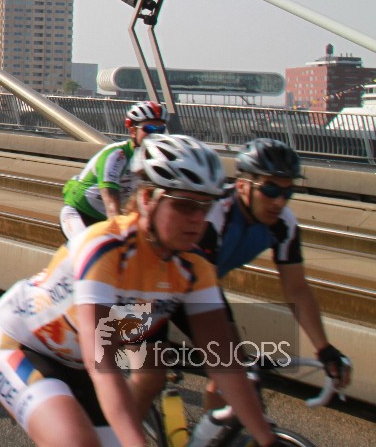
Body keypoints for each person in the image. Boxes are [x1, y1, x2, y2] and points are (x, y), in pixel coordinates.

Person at [0, 134, 281, 447]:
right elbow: (103, 362)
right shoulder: (105, 247)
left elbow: (225, 363)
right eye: (183, 205)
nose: (197, 219)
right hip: (22, 346)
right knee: (78, 442)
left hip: (77, 364)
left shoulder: (194, 267)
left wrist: (267, 440)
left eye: (205, 206)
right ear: (148, 198)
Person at [136, 138, 354, 412]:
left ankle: (214, 431)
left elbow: (296, 288)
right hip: (151, 285)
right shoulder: (213, 215)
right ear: (242, 185)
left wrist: (324, 348)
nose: (279, 201)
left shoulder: (283, 224)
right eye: (270, 189)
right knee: (151, 377)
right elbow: (201, 292)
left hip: (200, 286)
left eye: (287, 192)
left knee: (232, 374)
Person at [60, 101, 167, 240]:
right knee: (87, 246)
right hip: (79, 213)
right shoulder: (116, 155)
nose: (155, 134)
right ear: (133, 131)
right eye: (149, 128)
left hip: (103, 218)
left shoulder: (155, 161)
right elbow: (111, 206)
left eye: (160, 129)